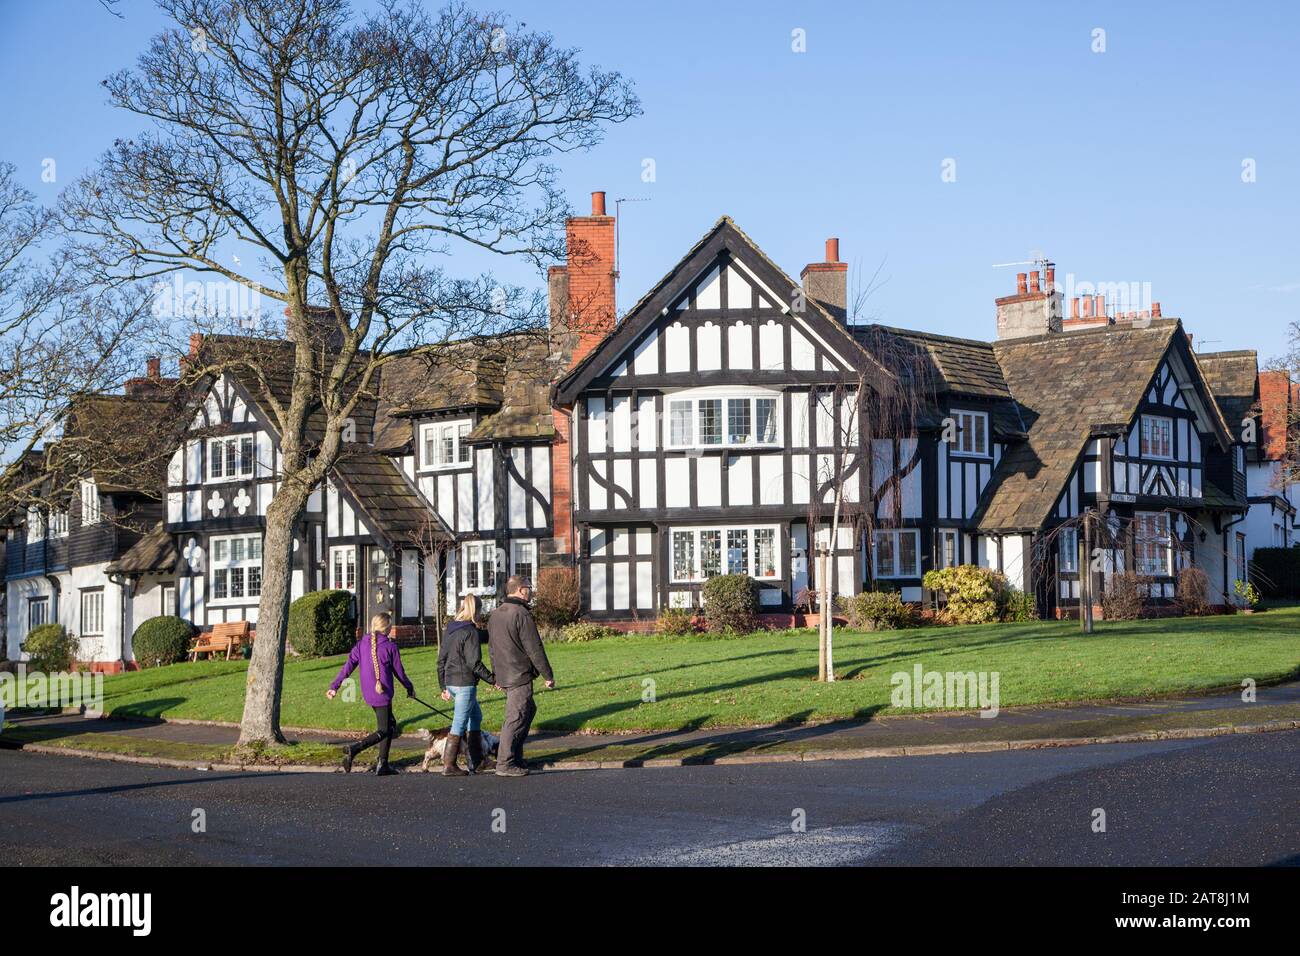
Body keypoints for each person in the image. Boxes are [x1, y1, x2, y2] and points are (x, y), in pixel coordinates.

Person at [326, 612, 414, 776]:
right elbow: (399, 672)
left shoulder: (362, 644)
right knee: (385, 729)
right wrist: (409, 687)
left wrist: (335, 686)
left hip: (369, 693)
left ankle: (383, 763)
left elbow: (348, 665)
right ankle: (355, 749)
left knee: (390, 724)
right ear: (387, 628)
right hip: (383, 693)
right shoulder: (390, 646)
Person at [487, 575, 554, 777]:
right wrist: (547, 674)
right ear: (520, 590)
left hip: (505, 673)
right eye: (529, 588)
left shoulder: (496, 614)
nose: (531, 591)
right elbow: (534, 648)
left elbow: (492, 648)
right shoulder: (521, 614)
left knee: (528, 710)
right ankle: (505, 763)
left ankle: (515, 757)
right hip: (519, 674)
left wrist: (496, 675)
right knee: (515, 718)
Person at [437, 593, 499, 776]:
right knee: (459, 724)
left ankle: (478, 761)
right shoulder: (470, 632)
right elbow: (474, 664)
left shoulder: (450, 630)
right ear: (476, 611)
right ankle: (449, 765)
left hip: (451, 682)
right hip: (465, 684)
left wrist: (443, 686)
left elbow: (440, 660)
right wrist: (493, 679)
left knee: (476, 717)